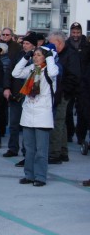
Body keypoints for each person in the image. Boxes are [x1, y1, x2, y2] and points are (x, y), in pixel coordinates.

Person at [12, 46, 59, 187]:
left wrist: (50, 57)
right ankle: (29, 175)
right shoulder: (32, 69)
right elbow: (16, 73)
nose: (36, 57)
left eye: (39, 55)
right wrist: (25, 58)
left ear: (45, 57)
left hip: (42, 114)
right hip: (28, 113)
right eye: (35, 55)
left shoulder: (49, 70)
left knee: (41, 150)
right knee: (29, 148)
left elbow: (53, 71)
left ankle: (40, 177)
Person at [47, 30, 80, 164]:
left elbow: (74, 76)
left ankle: (55, 153)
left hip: (63, 93)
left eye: (51, 43)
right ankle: (63, 151)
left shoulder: (70, 55)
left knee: (57, 122)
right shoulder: (58, 54)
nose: (49, 45)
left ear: (59, 43)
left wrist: (63, 92)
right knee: (62, 123)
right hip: (57, 92)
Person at [4, 33, 37, 163]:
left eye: (27, 43)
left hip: (30, 96)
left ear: (34, 45)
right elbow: (9, 73)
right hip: (16, 94)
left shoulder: (38, 57)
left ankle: (26, 152)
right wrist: (6, 87)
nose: (24, 45)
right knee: (13, 123)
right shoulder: (18, 55)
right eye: (23, 43)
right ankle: (12, 148)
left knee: (27, 126)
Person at [65, 22, 89, 144]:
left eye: (78, 32)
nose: (76, 35)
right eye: (73, 32)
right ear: (70, 32)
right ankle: (69, 133)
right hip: (69, 83)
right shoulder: (66, 45)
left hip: (83, 84)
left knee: (82, 111)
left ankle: (81, 136)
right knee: (67, 110)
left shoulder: (87, 45)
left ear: (81, 32)